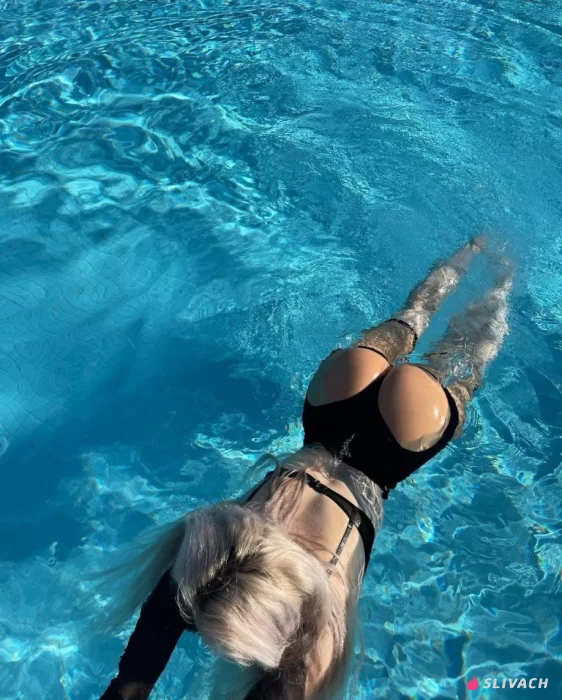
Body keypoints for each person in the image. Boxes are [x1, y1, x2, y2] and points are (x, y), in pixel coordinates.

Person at [98, 237, 512, 700]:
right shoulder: (206, 559)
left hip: (394, 446)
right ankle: (476, 252)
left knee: (467, 356)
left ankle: (503, 280)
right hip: (335, 401)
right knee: (411, 316)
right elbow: (127, 687)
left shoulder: (318, 640)